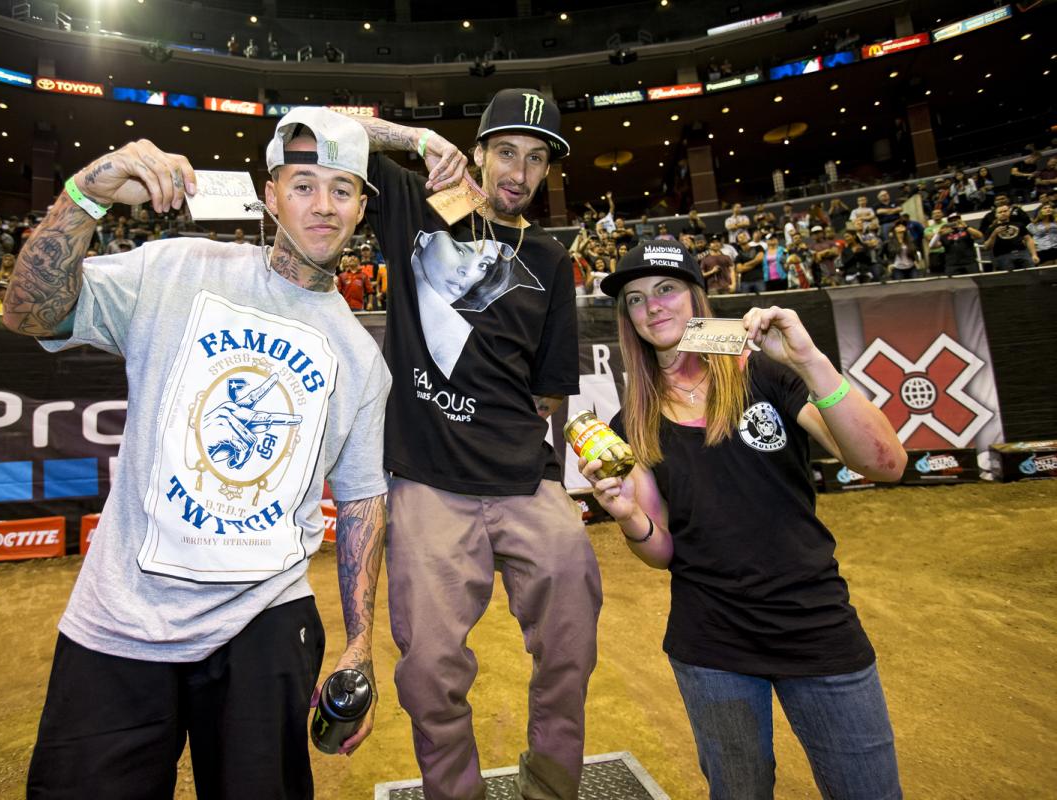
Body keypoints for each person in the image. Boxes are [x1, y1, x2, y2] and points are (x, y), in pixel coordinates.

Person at [5, 109, 391, 799]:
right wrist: (86, 193)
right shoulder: (177, 266)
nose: (323, 206)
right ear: (269, 195)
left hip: (264, 620)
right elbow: (30, 313)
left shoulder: (362, 358)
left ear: (362, 206)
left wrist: (360, 643)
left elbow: (361, 500)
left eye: (342, 188)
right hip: (120, 616)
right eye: (303, 184)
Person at [350, 89, 602, 800]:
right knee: (428, 670)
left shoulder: (550, 259)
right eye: (506, 152)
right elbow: (318, 132)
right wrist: (415, 138)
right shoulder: (416, 206)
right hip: (428, 482)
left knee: (570, 646)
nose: (519, 171)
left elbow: (548, 388)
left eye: (536, 159)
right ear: (480, 153)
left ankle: (550, 788)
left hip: (526, 480)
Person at [586, 242, 906, 799]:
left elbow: (885, 464)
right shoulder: (630, 420)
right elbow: (661, 550)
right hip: (713, 645)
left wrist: (807, 358)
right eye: (635, 299)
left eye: (666, 289)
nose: (652, 307)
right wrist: (629, 515)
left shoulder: (764, 374)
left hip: (817, 626)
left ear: (697, 299)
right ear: (628, 320)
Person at [984, 204, 1040, 271]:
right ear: (996, 215)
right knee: (1012, 278)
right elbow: (986, 247)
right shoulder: (991, 229)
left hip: (1022, 252)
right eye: (1000, 212)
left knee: (1033, 272)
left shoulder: (1019, 224)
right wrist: (994, 234)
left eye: (1005, 211)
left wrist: (1034, 254)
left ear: (1009, 212)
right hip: (1003, 255)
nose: (1003, 213)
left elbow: (1028, 239)